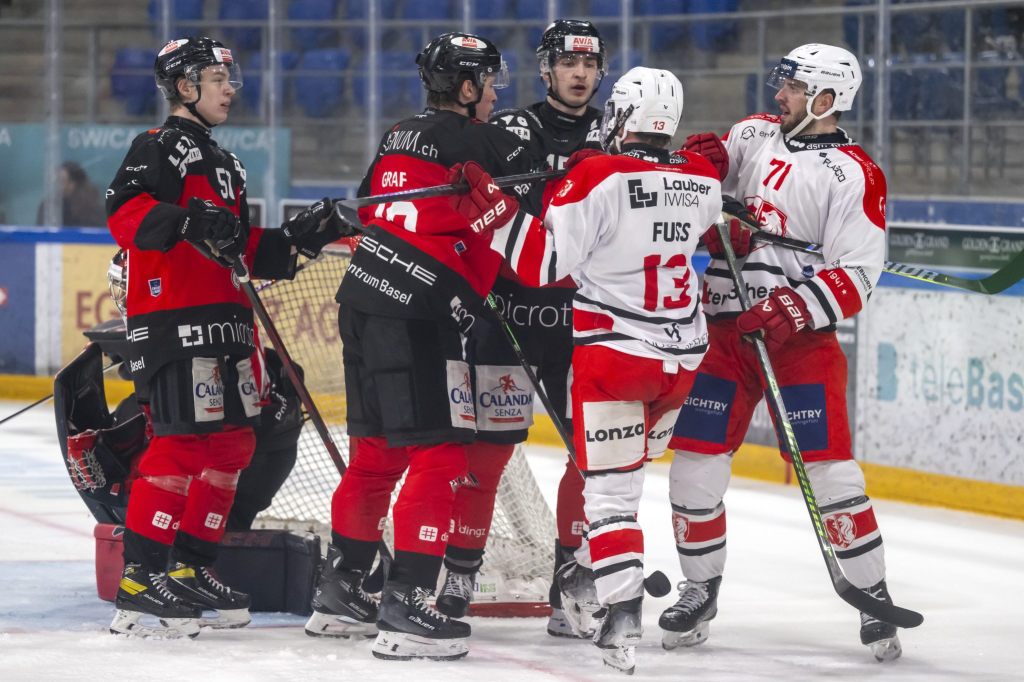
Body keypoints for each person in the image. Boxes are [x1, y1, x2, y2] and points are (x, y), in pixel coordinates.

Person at [664, 43, 903, 662]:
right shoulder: (752, 135)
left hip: (799, 344)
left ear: (825, 100)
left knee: (832, 475)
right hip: (722, 334)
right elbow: (696, 195)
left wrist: (790, 307)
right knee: (694, 463)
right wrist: (698, 173)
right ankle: (698, 591)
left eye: (793, 88)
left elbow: (858, 275)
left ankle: (871, 591)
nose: (779, 96)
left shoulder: (855, 175)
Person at [306, 32, 536, 661]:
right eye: (488, 81)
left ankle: (342, 591)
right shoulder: (483, 140)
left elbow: (373, 207)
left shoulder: (398, 132)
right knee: (440, 456)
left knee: (375, 458)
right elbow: (535, 219)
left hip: (362, 295)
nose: (494, 93)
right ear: (465, 87)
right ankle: (407, 602)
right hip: (421, 311)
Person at [483, 66, 721, 673]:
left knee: (610, 497)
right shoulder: (703, 178)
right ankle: (588, 573)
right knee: (628, 483)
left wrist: (490, 207)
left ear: (622, 116)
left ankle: (620, 612)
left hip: (615, 359)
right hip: (682, 366)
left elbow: (540, 264)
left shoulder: (593, 174)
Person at [105, 36, 339, 639]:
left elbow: (239, 248)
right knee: (182, 445)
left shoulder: (226, 163)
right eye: (217, 78)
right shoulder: (160, 147)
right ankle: (141, 576)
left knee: (233, 446)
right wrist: (183, 219)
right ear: (185, 87)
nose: (231, 88)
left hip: (229, 322)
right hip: (176, 319)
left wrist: (301, 239)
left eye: (229, 77)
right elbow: (124, 213)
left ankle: (188, 566)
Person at [434, 19, 607, 636]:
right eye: (568, 63)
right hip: (505, 312)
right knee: (486, 452)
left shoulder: (616, 131)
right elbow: (511, 209)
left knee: (590, 457)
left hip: (579, 317)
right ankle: (457, 574)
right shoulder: (512, 127)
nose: (580, 74)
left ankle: (571, 583)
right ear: (546, 68)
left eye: (589, 64)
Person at [36, 161, 106, 227]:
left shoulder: (94, 208)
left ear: (74, 184)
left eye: (62, 181)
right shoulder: (51, 207)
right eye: (56, 181)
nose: (58, 185)